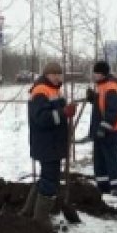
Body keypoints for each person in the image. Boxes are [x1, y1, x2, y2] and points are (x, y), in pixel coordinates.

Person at [23, 62, 75, 224]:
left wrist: (66, 110)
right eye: (56, 75)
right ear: (48, 75)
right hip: (46, 144)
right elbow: (41, 118)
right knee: (49, 180)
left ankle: (28, 212)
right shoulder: (40, 91)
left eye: (60, 75)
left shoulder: (54, 90)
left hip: (53, 143)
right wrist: (63, 112)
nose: (59, 77)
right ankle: (39, 220)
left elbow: (56, 112)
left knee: (47, 177)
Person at [83, 60, 117, 196]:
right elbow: (101, 106)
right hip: (101, 128)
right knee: (99, 157)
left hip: (111, 129)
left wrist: (104, 127)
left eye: (96, 73)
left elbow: (113, 110)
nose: (94, 75)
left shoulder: (111, 87)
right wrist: (93, 99)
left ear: (102, 74)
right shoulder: (102, 86)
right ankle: (103, 185)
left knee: (111, 157)